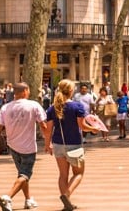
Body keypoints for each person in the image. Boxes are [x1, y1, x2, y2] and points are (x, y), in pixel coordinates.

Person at [45, 80, 101, 211]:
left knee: (63, 175)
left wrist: (47, 144)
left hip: (58, 144)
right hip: (74, 144)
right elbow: (82, 126)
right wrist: (93, 129)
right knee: (79, 173)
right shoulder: (77, 107)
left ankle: (67, 203)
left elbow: (48, 129)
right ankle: (66, 195)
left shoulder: (52, 108)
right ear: (71, 91)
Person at [0, 82, 48, 211]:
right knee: (25, 174)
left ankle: (28, 199)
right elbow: (43, 125)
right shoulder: (33, 105)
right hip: (28, 147)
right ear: (25, 91)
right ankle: (8, 197)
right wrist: (48, 141)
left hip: (13, 146)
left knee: (22, 174)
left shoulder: (5, 108)